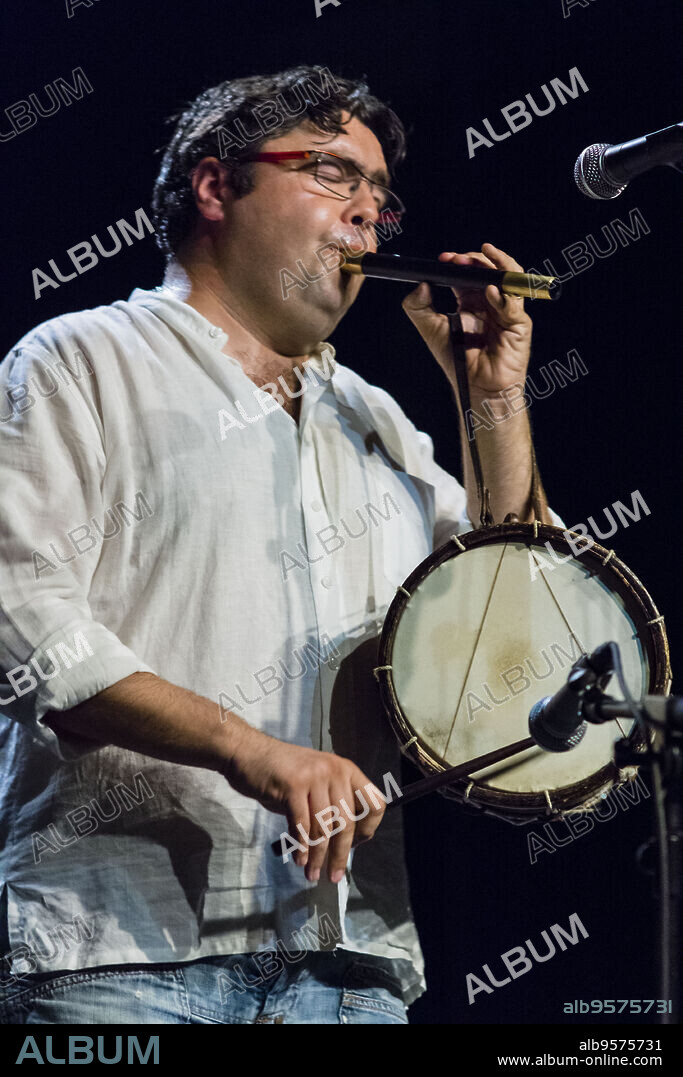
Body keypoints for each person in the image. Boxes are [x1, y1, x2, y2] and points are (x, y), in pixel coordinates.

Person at [0, 65, 560, 1025]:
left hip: (351, 962)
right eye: (336, 176)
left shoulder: (377, 419)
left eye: (380, 196)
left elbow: (509, 635)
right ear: (217, 186)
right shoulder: (77, 360)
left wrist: (494, 399)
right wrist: (249, 750)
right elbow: (24, 618)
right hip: (123, 950)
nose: (369, 218)